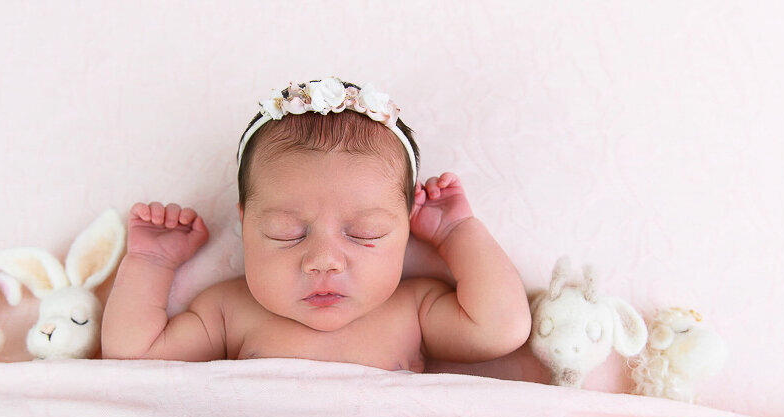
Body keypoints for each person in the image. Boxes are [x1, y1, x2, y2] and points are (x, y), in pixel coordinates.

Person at [101, 77, 530, 372]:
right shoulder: (231, 311)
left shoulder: (411, 310)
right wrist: (151, 261)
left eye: (365, 233)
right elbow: (133, 356)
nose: (323, 261)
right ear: (245, 224)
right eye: (286, 232)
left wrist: (457, 234)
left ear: (407, 227)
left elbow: (501, 328)